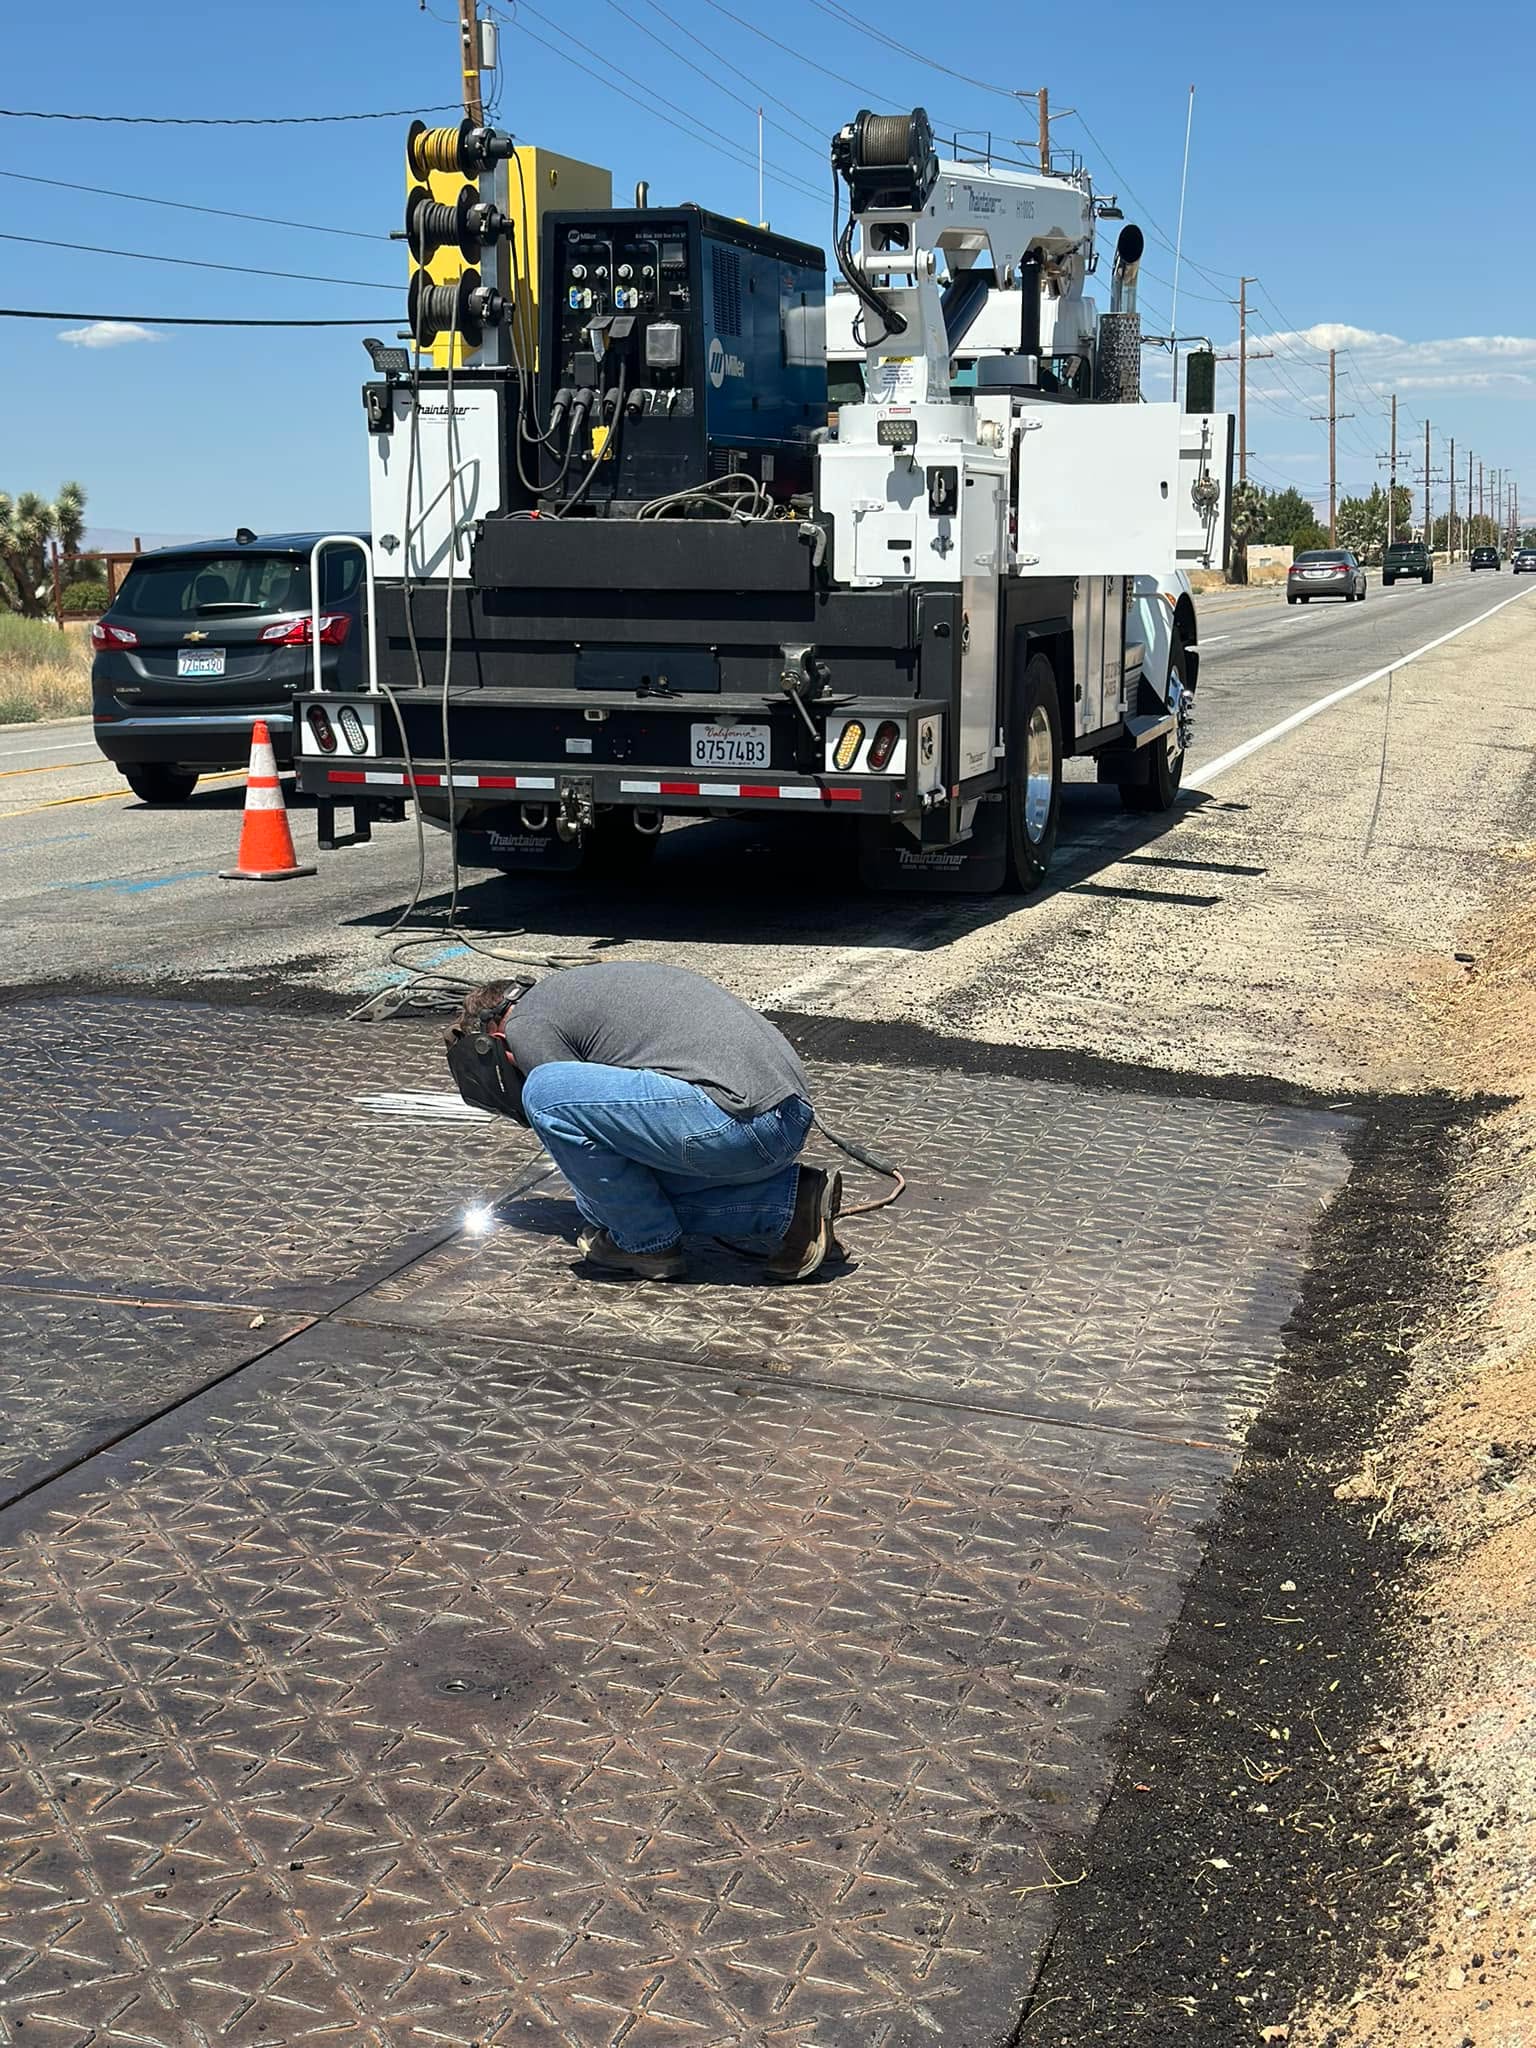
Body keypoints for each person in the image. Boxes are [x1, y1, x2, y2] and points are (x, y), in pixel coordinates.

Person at [444, 962, 841, 1282]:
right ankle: (789, 1205)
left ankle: (646, 1244)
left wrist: (611, 1215)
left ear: (493, 1039)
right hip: (781, 1121)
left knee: (546, 1093)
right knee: (619, 1202)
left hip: (738, 1125)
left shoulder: (523, 1025)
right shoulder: (569, 994)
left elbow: (563, 1114)